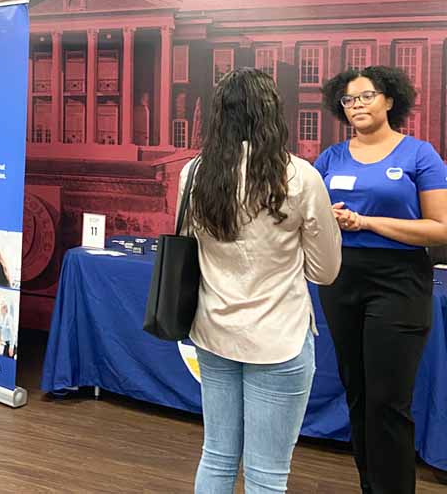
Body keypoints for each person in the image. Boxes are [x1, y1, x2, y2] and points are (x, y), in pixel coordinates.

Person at [180, 68, 341, 493]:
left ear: (219, 116)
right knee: (267, 475)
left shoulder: (194, 175)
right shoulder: (300, 177)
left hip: (214, 331)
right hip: (280, 337)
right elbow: (325, 271)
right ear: (273, 114)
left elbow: (187, 247)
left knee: (215, 455)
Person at [316, 66, 447, 494]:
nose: (356, 106)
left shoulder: (419, 154)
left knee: (387, 401)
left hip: (399, 281)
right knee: (357, 393)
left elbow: (440, 228)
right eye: (349, 100)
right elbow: (309, 222)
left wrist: (368, 223)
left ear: (390, 100)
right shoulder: (330, 159)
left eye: (366, 96)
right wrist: (327, 220)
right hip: (341, 279)